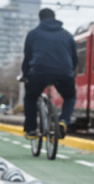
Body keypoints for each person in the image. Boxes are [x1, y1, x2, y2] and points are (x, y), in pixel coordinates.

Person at [21, 8, 78, 140]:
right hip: (64, 73)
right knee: (70, 97)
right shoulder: (68, 35)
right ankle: (64, 120)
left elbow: (27, 58)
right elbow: (75, 58)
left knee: (30, 98)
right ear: (54, 17)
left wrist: (25, 75)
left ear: (40, 19)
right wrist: (71, 73)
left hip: (38, 73)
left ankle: (30, 130)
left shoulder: (33, 34)